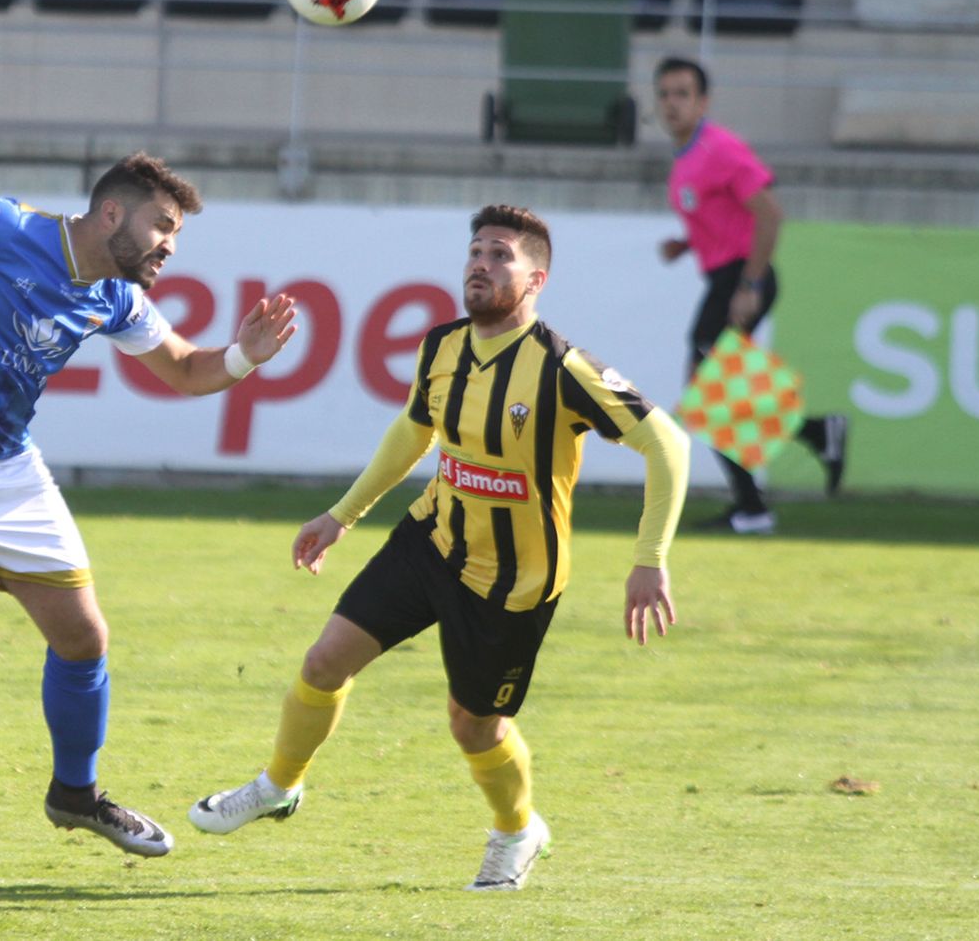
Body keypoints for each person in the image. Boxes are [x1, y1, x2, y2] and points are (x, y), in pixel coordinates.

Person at [187, 205, 691, 892]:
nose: (481, 264)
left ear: (536, 278)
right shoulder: (443, 346)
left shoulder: (561, 367)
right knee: (324, 661)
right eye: (475, 251)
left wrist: (649, 558)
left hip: (513, 581)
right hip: (432, 539)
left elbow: (668, 444)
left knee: (473, 727)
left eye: (501, 255)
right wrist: (342, 515)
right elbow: (413, 433)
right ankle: (278, 785)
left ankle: (518, 831)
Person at [0, 153, 297, 859]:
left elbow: (186, 369)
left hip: (9, 474)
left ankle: (75, 795)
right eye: (163, 226)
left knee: (84, 640)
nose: (170, 245)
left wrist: (242, 355)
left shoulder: (113, 298)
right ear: (112, 214)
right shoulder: (4, 227)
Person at [653, 56, 848, 536]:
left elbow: (770, 215)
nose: (672, 104)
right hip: (726, 277)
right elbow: (723, 219)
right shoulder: (686, 157)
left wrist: (751, 285)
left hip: (741, 279)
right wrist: (687, 244)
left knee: (706, 390)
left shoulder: (720, 150)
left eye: (682, 94)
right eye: (664, 94)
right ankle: (812, 440)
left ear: (703, 102)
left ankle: (755, 503)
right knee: (716, 391)